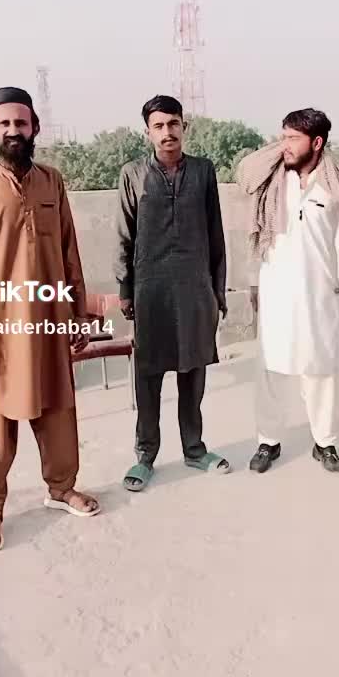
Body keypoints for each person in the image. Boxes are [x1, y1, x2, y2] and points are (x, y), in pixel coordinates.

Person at [0, 86, 100, 552]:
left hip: (50, 318)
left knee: (59, 405)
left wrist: (78, 315)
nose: (14, 131)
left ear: (34, 127)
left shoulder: (52, 181)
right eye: (4, 123)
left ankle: (61, 487)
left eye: (21, 122)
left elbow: (69, 252)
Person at [237, 108, 339, 475]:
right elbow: (245, 176)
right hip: (276, 291)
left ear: (317, 142)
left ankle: (325, 443)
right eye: (283, 136)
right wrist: (253, 282)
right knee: (271, 369)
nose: (285, 145)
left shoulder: (338, 183)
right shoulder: (272, 179)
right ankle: (268, 440)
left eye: (294, 138)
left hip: (319, 292)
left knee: (322, 369)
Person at [114, 94, 230, 491]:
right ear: (148, 132)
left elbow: (216, 234)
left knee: (193, 371)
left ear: (184, 127)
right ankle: (145, 455)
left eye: (174, 124)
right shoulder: (132, 174)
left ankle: (194, 449)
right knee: (148, 374)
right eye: (159, 126)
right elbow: (124, 235)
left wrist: (217, 290)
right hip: (151, 289)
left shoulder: (203, 171)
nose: (168, 132)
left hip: (195, 287)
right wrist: (125, 289)